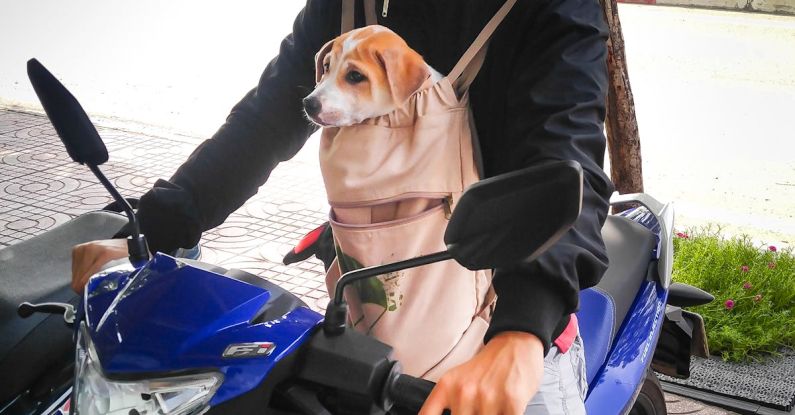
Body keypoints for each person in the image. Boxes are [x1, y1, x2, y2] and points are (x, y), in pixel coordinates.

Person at [71, 0, 614, 413]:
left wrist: (523, 331)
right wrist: (152, 228)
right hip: (377, 306)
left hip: (512, 324)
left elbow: (567, 148)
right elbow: (269, 116)